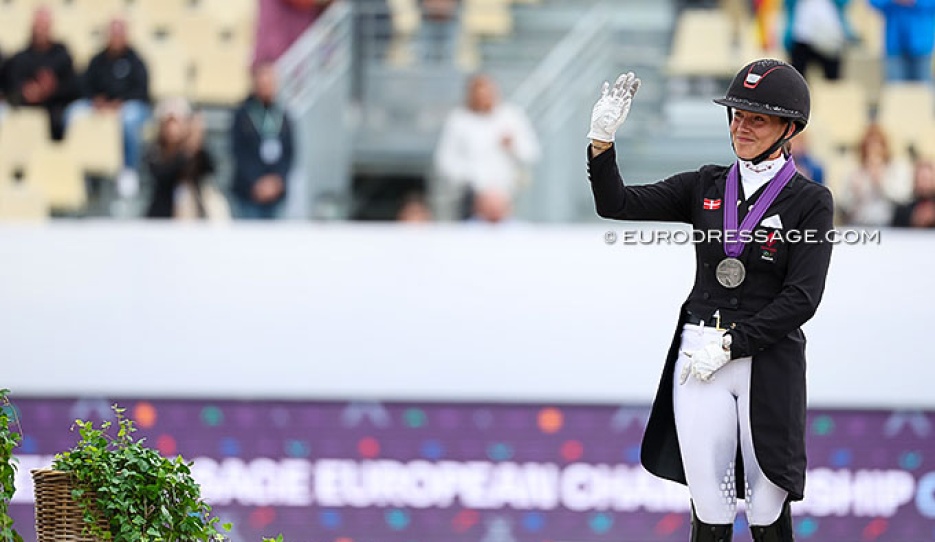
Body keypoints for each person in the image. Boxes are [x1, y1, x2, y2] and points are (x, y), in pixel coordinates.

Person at [586, 59, 834, 542]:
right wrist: (602, 142)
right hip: (700, 356)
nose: (741, 127)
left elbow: (802, 298)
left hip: (768, 358)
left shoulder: (810, 201)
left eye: (756, 118)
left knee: (766, 507)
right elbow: (615, 203)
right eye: (736, 115)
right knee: (710, 504)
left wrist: (734, 344)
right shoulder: (705, 185)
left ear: (788, 127)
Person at [435, 73, 540, 222]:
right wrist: (473, 181)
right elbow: (445, 161)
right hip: (471, 197)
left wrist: (513, 146)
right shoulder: (459, 120)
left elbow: (531, 153)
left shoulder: (511, 116)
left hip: (506, 197)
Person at [66, 17, 151, 198]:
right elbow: (85, 86)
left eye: (119, 34)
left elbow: (142, 91)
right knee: (73, 113)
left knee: (128, 120)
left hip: (129, 106)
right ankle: (74, 167)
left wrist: (120, 103)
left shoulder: (136, 61)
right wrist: (96, 101)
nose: (115, 38)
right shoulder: (97, 60)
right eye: (113, 34)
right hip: (99, 106)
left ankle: (129, 170)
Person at [229, 61, 295, 219]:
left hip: (276, 195)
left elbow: (290, 153)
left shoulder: (283, 115)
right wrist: (256, 183)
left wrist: (277, 181)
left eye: (270, 82)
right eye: (263, 82)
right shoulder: (243, 115)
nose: (267, 86)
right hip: (249, 194)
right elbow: (239, 153)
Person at [3, 6, 81, 140]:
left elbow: (73, 87)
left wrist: (52, 89)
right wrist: (26, 92)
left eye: (44, 26)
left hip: (56, 108)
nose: (40, 31)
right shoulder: (21, 57)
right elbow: (11, 86)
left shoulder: (62, 56)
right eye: (38, 26)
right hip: (24, 107)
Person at [144, 97, 219, 220]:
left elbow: (210, 169)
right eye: (168, 122)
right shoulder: (155, 150)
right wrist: (187, 151)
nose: (172, 128)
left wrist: (198, 144)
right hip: (163, 215)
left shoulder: (197, 149)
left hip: (196, 213)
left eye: (177, 121)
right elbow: (163, 176)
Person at [836, 123, 912, 226]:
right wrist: (854, 191)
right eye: (869, 145)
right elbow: (843, 203)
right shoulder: (854, 170)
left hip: (889, 225)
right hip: (858, 224)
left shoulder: (896, 167)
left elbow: (903, 197)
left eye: (877, 144)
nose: (873, 149)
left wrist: (881, 181)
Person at [783, 0, 855, 81]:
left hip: (830, 40)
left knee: (833, 80)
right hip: (801, 38)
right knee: (798, 79)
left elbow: (845, 3)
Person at [870, 0, 935, 82]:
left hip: (922, 45)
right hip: (895, 45)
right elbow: (875, 2)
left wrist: (915, 1)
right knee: (895, 90)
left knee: (923, 90)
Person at [892, 157, 935, 227]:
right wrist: (913, 218)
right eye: (921, 179)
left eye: (927, 179)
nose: (924, 184)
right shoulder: (903, 210)